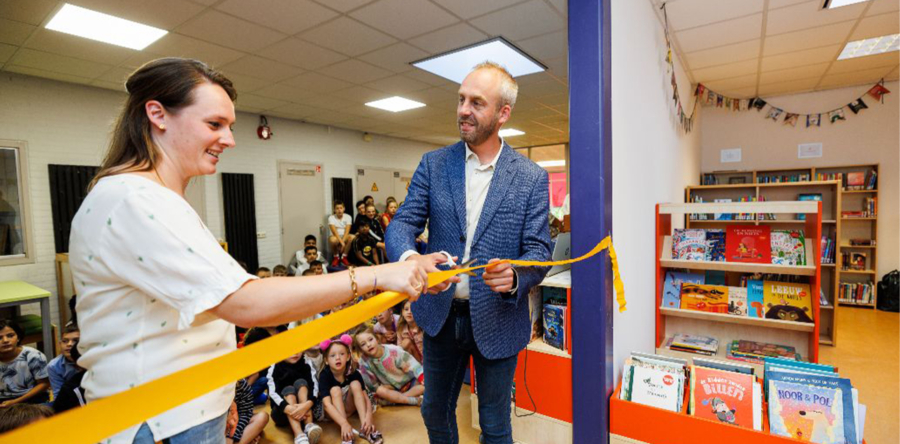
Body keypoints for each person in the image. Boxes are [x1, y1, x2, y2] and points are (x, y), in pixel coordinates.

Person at [68, 57, 428, 444]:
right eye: (214, 124)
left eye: (229, 126)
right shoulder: (133, 200)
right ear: (157, 114)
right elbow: (243, 302)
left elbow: (198, 312)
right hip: (157, 422)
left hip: (185, 410)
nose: (229, 139)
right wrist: (375, 275)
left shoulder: (153, 199)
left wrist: (222, 395)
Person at [385, 61, 552, 444]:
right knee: (434, 412)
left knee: (494, 424)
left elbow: (539, 250)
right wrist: (412, 259)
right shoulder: (434, 164)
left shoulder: (530, 178)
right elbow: (402, 224)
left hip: (498, 318)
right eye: (461, 99)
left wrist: (516, 277)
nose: (463, 109)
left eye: (477, 102)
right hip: (440, 316)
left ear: (503, 113)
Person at [318, 335, 381, 444]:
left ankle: (365, 429)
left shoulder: (354, 373)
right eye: (332, 356)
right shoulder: (324, 375)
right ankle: (347, 435)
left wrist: (369, 417)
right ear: (326, 360)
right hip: (332, 413)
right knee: (335, 390)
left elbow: (366, 398)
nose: (338, 358)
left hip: (349, 407)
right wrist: (343, 423)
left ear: (348, 357)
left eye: (342, 354)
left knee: (356, 384)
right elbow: (327, 405)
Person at [354, 328, 424, 406]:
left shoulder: (393, 350)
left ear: (377, 339)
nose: (368, 344)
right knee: (380, 392)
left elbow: (411, 363)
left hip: (410, 383)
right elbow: (373, 385)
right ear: (360, 349)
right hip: (392, 389)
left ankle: (399, 400)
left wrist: (421, 376)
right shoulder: (364, 363)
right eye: (363, 344)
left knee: (425, 385)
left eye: (370, 339)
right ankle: (412, 400)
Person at [266, 351, 323, 444]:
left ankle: (309, 426)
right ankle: (299, 435)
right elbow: (272, 393)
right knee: (289, 389)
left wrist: (307, 404)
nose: (295, 353)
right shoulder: (275, 365)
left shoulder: (306, 361)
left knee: (301, 382)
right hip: (282, 412)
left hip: (305, 411)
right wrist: (288, 408)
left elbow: (314, 386)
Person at [0, 320, 50, 407]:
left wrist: (15, 401)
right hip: (3, 399)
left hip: (32, 398)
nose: (5, 340)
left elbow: (44, 384)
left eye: (10, 336)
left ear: (18, 337)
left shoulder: (34, 356)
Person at [225, 378, 268, 444]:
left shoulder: (241, 384)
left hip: (236, 422)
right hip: (217, 427)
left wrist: (232, 436)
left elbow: (245, 413)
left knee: (262, 417)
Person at [47, 322, 80, 400]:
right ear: (59, 344)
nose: (69, 344)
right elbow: (58, 395)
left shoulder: (93, 359)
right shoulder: (54, 366)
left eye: (75, 340)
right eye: (65, 341)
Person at [328, 200, 353, 268]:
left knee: (352, 237)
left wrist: (343, 241)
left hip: (345, 235)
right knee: (332, 240)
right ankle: (336, 257)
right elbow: (334, 231)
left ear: (344, 209)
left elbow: (347, 230)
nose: (339, 210)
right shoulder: (331, 218)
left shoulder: (348, 217)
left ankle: (344, 257)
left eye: (341, 208)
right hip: (336, 236)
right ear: (334, 210)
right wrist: (342, 242)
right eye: (337, 208)